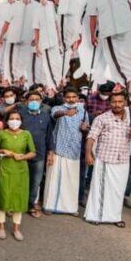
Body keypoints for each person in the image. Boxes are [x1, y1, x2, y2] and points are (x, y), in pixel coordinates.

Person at [84, 92, 131, 227]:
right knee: (101, 188)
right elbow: (91, 137)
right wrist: (88, 154)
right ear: (110, 103)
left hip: (123, 160)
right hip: (105, 158)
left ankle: (115, 217)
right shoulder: (102, 118)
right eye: (114, 102)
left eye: (120, 101)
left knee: (118, 189)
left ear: (125, 102)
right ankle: (96, 215)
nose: (117, 104)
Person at [42, 87, 89, 216]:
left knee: (72, 181)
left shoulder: (83, 111)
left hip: (74, 150)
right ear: (64, 98)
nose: (71, 99)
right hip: (58, 149)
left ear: (78, 98)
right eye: (68, 97)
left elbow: (86, 130)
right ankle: (49, 205)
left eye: (74, 97)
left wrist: (85, 128)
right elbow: (54, 115)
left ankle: (70, 208)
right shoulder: (58, 108)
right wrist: (65, 113)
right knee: (54, 179)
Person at [0, 111, 36, 241]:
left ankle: (16, 228)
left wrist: (23, 156)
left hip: (21, 170)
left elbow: (32, 152)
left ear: (21, 121)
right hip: (5, 169)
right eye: (11, 118)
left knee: (19, 198)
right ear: (7, 120)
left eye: (17, 118)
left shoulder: (26, 134)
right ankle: (1, 226)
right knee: (3, 196)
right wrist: (4, 150)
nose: (14, 121)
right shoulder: (1, 134)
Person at [19, 91, 53, 218]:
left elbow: (49, 136)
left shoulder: (46, 117)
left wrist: (50, 152)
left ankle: (30, 205)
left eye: (37, 99)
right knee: (20, 180)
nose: (34, 101)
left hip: (39, 154)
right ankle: (17, 204)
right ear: (26, 101)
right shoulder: (20, 116)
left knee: (35, 182)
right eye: (31, 99)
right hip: (22, 154)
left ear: (41, 101)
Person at [51, 0, 85, 82]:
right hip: (62, 13)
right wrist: (60, 5)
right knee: (62, 43)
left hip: (75, 14)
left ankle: (62, 73)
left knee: (71, 42)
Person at [0, 0, 36, 85]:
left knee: (23, 65)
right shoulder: (15, 6)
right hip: (13, 40)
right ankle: (10, 84)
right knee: (10, 65)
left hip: (27, 41)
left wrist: (36, 37)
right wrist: (1, 36)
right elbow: (7, 23)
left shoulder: (37, 6)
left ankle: (21, 84)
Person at [32, 0, 63, 89]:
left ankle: (59, 82)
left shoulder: (51, 5)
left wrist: (59, 39)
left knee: (57, 63)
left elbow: (55, 23)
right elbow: (36, 29)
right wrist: (37, 46)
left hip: (54, 40)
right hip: (44, 42)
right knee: (48, 65)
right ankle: (53, 86)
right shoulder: (36, 9)